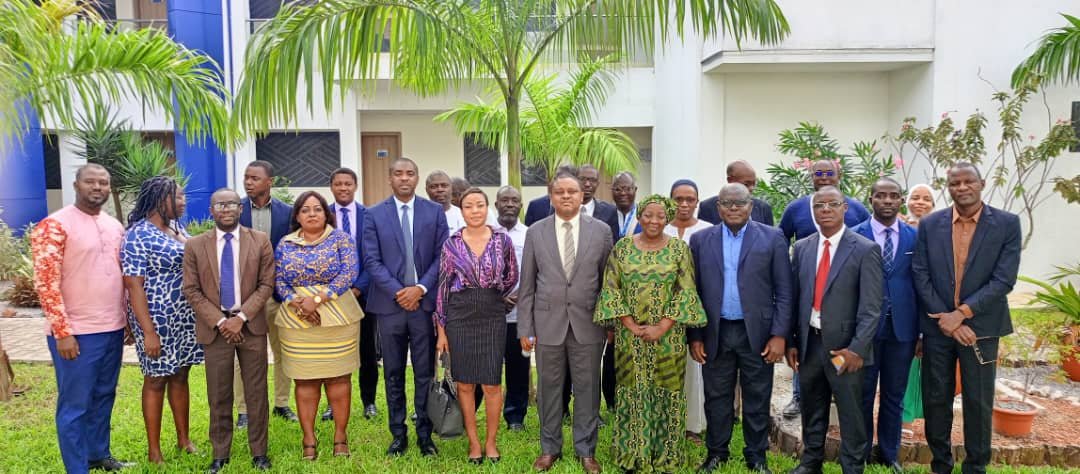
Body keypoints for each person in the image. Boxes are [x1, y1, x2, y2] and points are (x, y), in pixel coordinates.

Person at [912, 163, 1021, 474]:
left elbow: (1004, 279)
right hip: (938, 327)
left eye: (968, 181)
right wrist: (947, 320)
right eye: (955, 183)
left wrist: (961, 315)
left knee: (978, 401)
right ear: (948, 187)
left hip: (981, 328)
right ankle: (940, 465)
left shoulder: (1006, 224)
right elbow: (920, 273)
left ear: (981, 183)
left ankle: (975, 467)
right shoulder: (930, 224)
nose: (961, 187)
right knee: (936, 399)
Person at [31, 164, 133, 473]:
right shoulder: (54, 225)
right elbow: (46, 283)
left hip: (112, 328)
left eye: (103, 182)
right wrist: (62, 332)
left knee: (104, 395)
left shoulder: (114, 226)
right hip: (76, 333)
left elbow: (122, 276)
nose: (98, 187)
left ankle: (98, 454)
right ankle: (77, 468)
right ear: (76, 185)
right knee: (75, 404)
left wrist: (127, 320)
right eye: (91, 181)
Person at [594, 194, 707, 473]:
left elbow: (686, 291)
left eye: (660, 216)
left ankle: (667, 455)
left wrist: (662, 326)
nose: (654, 221)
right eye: (648, 215)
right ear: (640, 216)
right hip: (629, 337)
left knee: (667, 390)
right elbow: (611, 290)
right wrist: (631, 325)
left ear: (668, 218)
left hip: (669, 338)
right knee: (633, 390)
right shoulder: (622, 248)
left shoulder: (679, 249)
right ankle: (633, 453)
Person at [690, 183, 793, 474]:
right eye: (727, 203)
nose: (733, 208)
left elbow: (785, 291)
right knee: (716, 397)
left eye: (740, 203)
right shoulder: (701, 240)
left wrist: (779, 335)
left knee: (757, 396)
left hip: (757, 334)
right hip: (716, 331)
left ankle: (756, 456)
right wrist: (695, 336)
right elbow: (692, 292)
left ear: (751, 206)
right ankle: (716, 453)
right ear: (718, 207)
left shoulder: (773, 237)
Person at [518, 172, 613, 474]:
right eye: (560, 192)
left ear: (582, 195)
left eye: (572, 191)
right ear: (551, 197)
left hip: (589, 323)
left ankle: (586, 451)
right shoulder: (536, 232)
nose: (567, 196)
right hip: (548, 323)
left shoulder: (601, 231)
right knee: (549, 389)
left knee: (588, 388)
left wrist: (610, 324)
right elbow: (527, 285)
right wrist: (525, 328)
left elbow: (608, 283)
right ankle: (550, 448)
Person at [786, 186, 882, 474]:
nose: (825, 209)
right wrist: (792, 342)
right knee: (812, 406)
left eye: (832, 204)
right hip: (810, 345)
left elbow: (871, 308)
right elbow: (795, 298)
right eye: (819, 205)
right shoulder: (802, 248)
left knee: (851, 411)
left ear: (845, 208)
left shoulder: (864, 249)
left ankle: (852, 466)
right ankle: (810, 462)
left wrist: (856, 350)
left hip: (845, 348)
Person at [181, 188, 276, 472]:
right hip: (216, 330)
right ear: (211, 210)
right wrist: (222, 322)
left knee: (256, 392)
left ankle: (259, 453)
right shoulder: (195, 245)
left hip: (251, 326)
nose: (226, 209)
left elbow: (266, 284)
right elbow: (191, 289)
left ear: (241, 209)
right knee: (218, 393)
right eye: (220, 205)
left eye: (231, 204)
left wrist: (241, 317)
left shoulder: (259, 240)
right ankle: (220, 454)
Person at [363, 157, 449, 457]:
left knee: (425, 372)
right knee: (394, 372)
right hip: (390, 306)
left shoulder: (434, 212)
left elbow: (442, 255)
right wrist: (400, 292)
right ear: (390, 178)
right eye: (398, 174)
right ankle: (398, 434)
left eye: (410, 173)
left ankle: (425, 435)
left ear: (417, 178)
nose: (404, 178)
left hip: (423, 306)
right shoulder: (374, 214)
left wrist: (420, 289)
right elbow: (371, 260)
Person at [778, 159, 870, 419]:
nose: (824, 176)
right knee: (807, 352)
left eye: (829, 172)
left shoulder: (856, 208)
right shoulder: (796, 208)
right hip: (810, 292)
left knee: (840, 356)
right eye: (818, 172)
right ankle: (799, 398)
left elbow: (868, 238)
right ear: (811, 176)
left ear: (839, 175)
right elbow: (780, 239)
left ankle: (840, 400)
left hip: (844, 296)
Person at [121, 176, 204, 464]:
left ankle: (184, 439)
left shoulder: (176, 228)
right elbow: (133, 286)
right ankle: (154, 450)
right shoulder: (137, 235)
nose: (183, 202)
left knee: (181, 374)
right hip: (156, 318)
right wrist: (148, 332)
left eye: (183, 196)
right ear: (159, 199)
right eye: (177, 197)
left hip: (183, 316)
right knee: (156, 379)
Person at [434, 187, 519, 465]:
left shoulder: (502, 240)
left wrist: (492, 295)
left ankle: (491, 442)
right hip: (459, 316)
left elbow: (512, 276)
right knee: (465, 383)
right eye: (468, 206)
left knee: (492, 382)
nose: (475, 211)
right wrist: (441, 330)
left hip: (492, 314)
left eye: (479, 205)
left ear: (487, 207)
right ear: (461, 211)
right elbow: (442, 288)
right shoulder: (451, 244)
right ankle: (473, 442)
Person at [274, 191, 362, 460]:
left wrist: (317, 300)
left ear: (326, 213)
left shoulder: (341, 239)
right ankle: (309, 438)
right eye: (305, 210)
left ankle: (340, 436)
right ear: (297, 216)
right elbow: (278, 279)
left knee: (339, 378)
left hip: (337, 315)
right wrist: (297, 303)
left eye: (317, 209)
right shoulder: (285, 243)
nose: (312, 214)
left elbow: (349, 272)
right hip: (296, 319)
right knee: (305, 379)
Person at [851, 178, 918, 473]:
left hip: (903, 329)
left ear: (901, 200)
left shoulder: (915, 237)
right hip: (865, 330)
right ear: (871, 199)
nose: (887, 200)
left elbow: (922, 282)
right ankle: (862, 451)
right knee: (863, 394)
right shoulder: (855, 235)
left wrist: (921, 332)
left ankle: (889, 453)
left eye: (893, 196)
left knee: (894, 394)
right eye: (881, 195)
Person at [237, 161, 298, 426]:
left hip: (278, 295)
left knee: (283, 351)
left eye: (254, 178)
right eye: (246, 177)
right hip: (245, 298)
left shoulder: (288, 213)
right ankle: (244, 410)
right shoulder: (236, 211)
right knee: (244, 354)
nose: (248, 182)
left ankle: (282, 404)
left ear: (269, 182)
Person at [322, 167, 376, 422]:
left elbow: (373, 256)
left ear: (355, 186)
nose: (343, 188)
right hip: (331, 296)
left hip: (363, 293)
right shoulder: (322, 215)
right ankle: (333, 405)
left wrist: (358, 288)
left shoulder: (369, 216)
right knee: (332, 351)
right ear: (331, 187)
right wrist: (336, 290)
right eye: (338, 184)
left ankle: (369, 401)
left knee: (367, 350)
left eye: (348, 183)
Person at [664, 179, 713, 444]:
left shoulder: (708, 230)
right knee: (665, 368)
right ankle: (664, 421)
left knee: (694, 368)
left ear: (697, 202)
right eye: (678, 199)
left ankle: (691, 425)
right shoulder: (659, 226)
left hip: (696, 309)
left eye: (689, 199)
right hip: (660, 312)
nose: (683, 204)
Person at [493, 186, 530, 432]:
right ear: (496, 204)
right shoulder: (486, 233)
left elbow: (534, 270)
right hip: (490, 314)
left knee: (518, 368)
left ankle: (515, 417)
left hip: (519, 313)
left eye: (514, 201)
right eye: (504, 200)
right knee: (488, 367)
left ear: (520, 206)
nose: (509, 204)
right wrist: (496, 298)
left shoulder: (529, 234)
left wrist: (516, 296)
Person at [899, 184, 935, 438]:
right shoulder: (898, 227)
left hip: (929, 303)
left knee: (927, 366)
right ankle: (905, 417)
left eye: (926, 199)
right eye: (915, 197)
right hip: (904, 303)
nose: (920, 202)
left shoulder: (940, 230)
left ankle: (923, 416)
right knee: (907, 364)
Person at [699, 160, 774, 226]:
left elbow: (770, 235)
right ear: (730, 180)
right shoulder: (707, 207)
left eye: (754, 184)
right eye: (746, 184)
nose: (752, 188)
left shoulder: (763, 208)